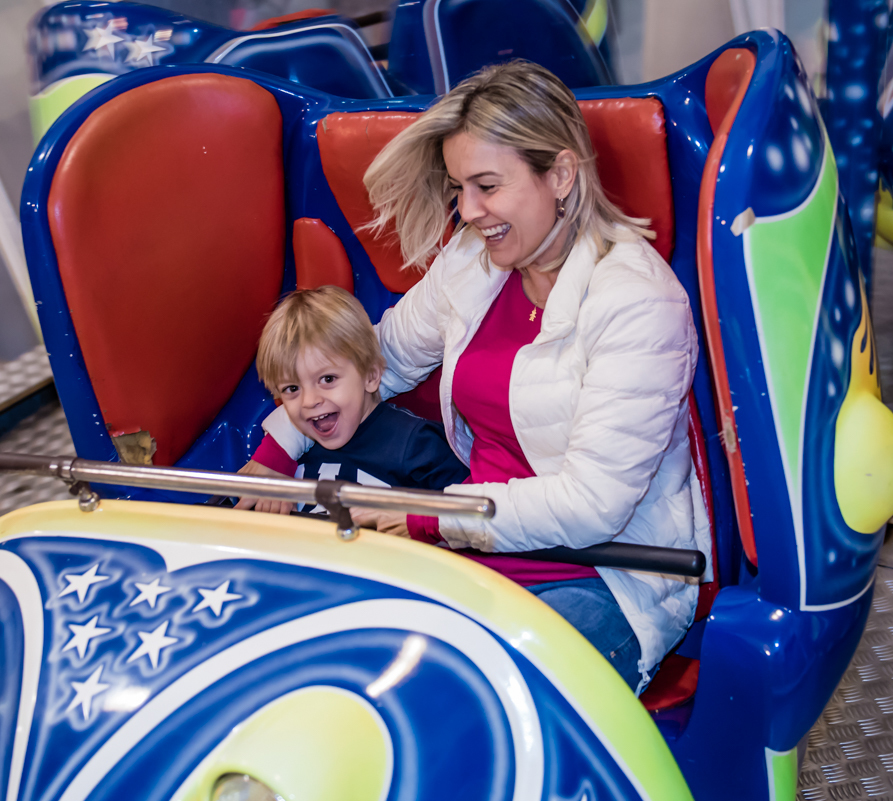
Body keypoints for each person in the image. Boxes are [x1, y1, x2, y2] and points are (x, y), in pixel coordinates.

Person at [247, 60, 711, 693]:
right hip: (471, 546)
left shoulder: (636, 301)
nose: (466, 211)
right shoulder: (474, 262)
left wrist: (436, 516)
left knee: (468, 698)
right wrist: (279, 447)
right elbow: (371, 358)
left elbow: (592, 505)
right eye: (459, 188)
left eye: (486, 186)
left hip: (603, 572)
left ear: (562, 175)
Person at [236, 286, 468, 514]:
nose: (309, 401)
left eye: (327, 379)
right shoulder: (289, 457)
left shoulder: (417, 444)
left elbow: (469, 522)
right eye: (292, 388)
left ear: (371, 375)